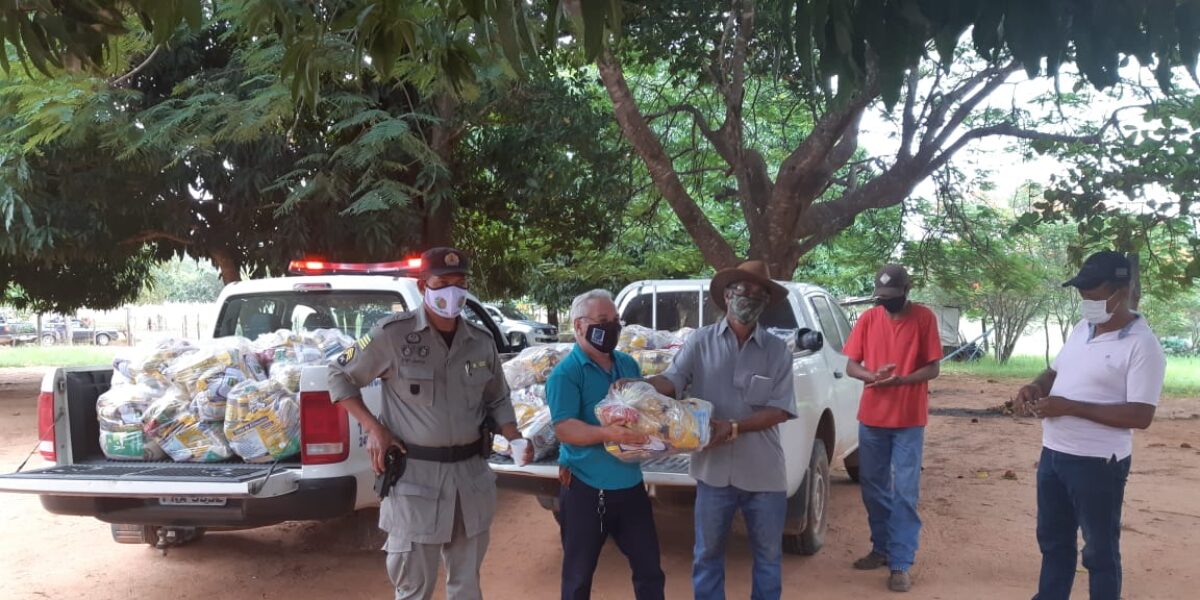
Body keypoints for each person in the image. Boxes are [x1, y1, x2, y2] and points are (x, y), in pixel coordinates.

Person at [327, 247, 533, 600]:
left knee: (466, 588)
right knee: (414, 588)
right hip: (415, 483)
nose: (452, 292)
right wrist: (375, 428)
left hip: (471, 480)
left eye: (460, 283)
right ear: (424, 286)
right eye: (443, 283)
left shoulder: (480, 342)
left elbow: (497, 397)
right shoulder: (391, 335)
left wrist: (514, 436)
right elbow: (338, 374)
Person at [635, 260, 797, 600]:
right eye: (743, 290)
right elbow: (674, 379)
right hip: (713, 473)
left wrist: (734, 427)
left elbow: (780, 409)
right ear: (726, 295)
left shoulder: (777, 351)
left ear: (767, 303)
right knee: (707, 556)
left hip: (764, 473)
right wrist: (640, 388)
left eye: (758, 294)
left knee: (767, 558)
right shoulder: (700, 342)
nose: (749, 298)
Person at [1013, 251, 1165, 600]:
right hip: (1054, 455)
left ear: (1121, 292)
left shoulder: (1143, 346)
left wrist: (1071, 408)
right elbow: (1055, 371)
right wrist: (1036, 387)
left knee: (1099, 552)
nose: (1086, 303)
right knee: (1053, 542)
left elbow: (1141, 416)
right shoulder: (1083, 328)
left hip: (1099, 463)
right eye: (1082, 295)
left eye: (1095, 296)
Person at [547, 289, 665, 600]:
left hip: (630, 487)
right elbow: (564, 428)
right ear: (578, 326)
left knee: (650, 571)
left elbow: (644, 412)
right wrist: (608, 434)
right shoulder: (566, 374)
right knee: (578, 578)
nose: (611, 327)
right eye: (602, 321)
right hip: (586, 490)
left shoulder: (627, 365)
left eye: (615, 321)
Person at [843, 264, 943, 593]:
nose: (885, 302)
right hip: (872, 418)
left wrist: (903, 380)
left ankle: (901, 562)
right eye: (881, 297)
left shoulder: (924, 318)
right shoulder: (869, 319)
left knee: (905, 493)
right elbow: (851, 365)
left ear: (906, 292)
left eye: (892, 297)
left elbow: (932, 369)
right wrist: (872, 376)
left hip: (909, 421)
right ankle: (881, 547)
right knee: (873, 489)